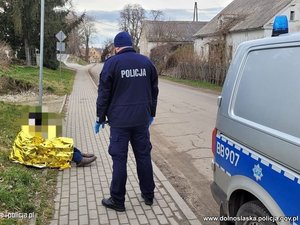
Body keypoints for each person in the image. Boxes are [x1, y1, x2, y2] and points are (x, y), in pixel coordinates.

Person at [95, 31, 159, 212]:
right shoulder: (146, 62)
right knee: (144, 156)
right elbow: (154, 91)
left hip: (119, 123)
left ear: (116, 47)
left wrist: (100, 117)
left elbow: (103, 94)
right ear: (131, 44)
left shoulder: (111, 64)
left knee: (120, 160)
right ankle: (148, 195)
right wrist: (151, 114)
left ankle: (118, 201)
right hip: (141, 121)